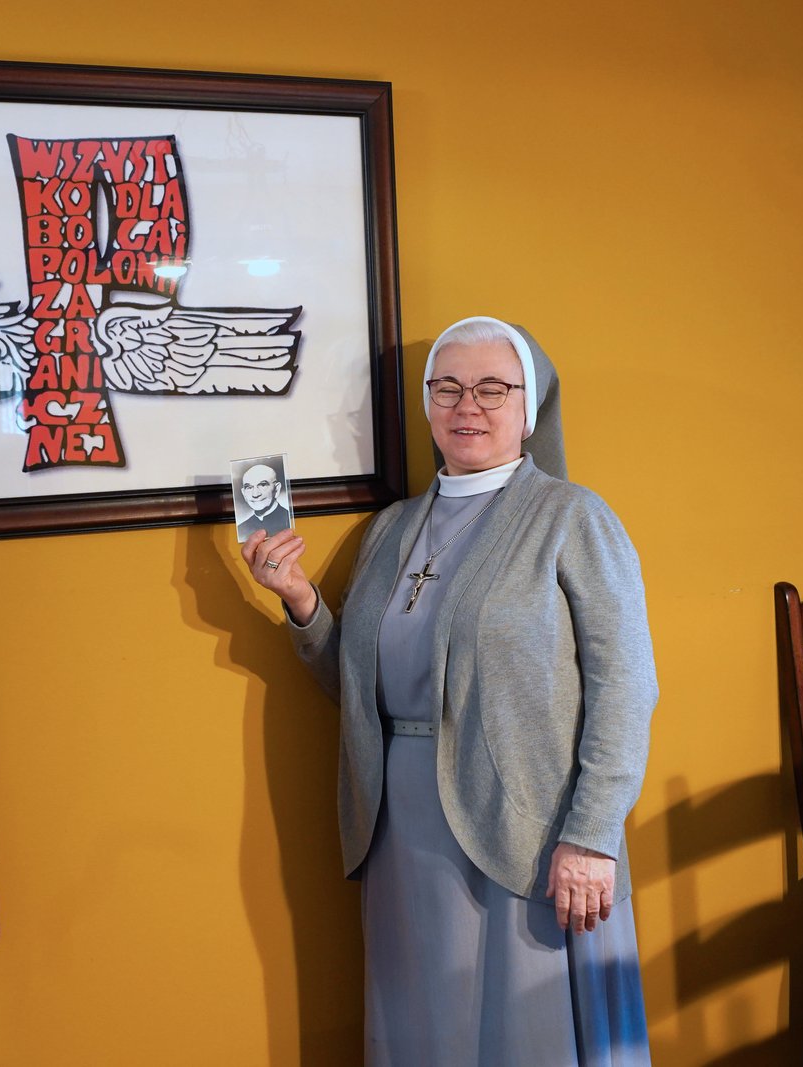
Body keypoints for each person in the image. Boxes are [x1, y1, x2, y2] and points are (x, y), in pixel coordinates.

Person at [240, 316, 656, 1065]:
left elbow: (627, 685)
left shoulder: (571, 517)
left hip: (529, 823)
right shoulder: (394, 528)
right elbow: (363, 690)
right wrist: (301, 600)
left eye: (493, 387)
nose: (469, 406)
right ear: (429, 403)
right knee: (425, 1025)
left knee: (524, 1034)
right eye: (448, 387)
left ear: (529, 406)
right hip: (403, 830)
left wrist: (593, 835)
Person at [235, 460, 291, 540]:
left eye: (263, 485)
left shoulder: (289, 522)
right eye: (249, 487)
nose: (255, 494)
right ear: (244, 493)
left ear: (277, 489)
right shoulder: (241, 529)